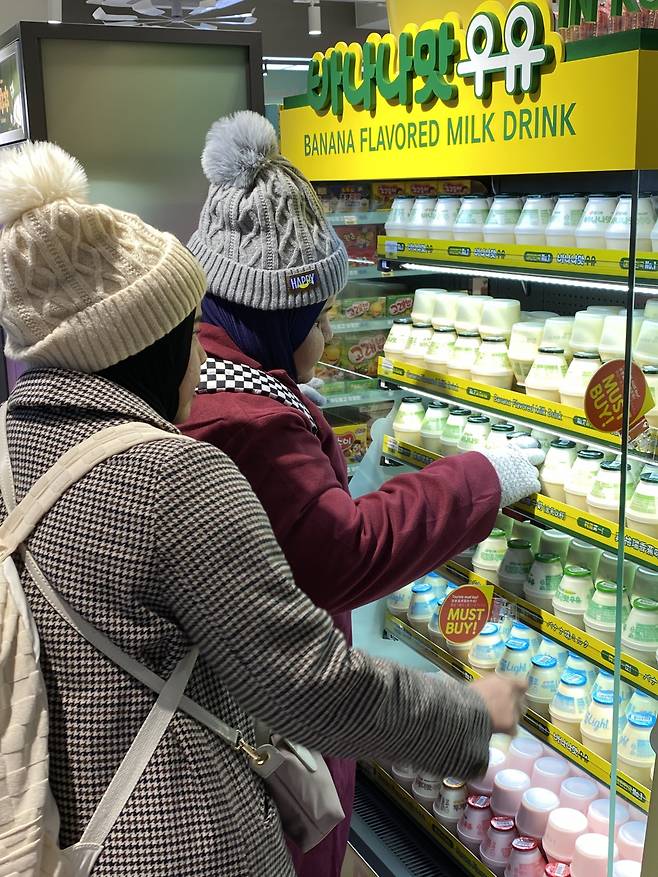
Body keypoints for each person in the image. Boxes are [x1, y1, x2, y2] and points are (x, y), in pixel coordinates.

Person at [0, 142, 527, 876]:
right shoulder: (172, 477)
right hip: (178, 838)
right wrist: (467, 713)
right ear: (148, 346)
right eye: (190, 330)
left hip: (63, 813)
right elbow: (311, 684)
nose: (204, 356)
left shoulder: (11, 440)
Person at [183, 111, 541, 876]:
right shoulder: (251, 424)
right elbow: (344, 551)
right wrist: (483, 474)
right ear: (280, 319)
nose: (333, 328)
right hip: (267, 749)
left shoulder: (213, 375)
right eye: (321, 314)